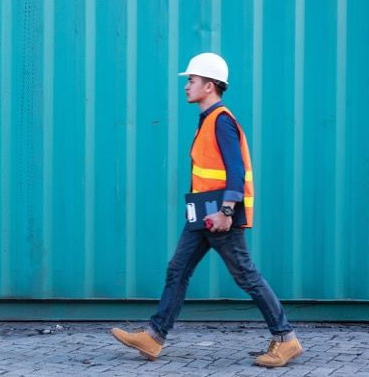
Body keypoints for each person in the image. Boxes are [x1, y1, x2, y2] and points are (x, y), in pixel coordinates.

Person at [110, 53, 303, 368]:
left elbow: (235, 171)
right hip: (202, 212)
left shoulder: (221, 120)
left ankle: (286, 339)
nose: (186, 86)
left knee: (246, 276)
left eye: (192, 80)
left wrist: (227, 211)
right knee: (177, 270)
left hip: (218, 216)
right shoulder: (207, 119)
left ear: (209, 86)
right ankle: (154, 336)